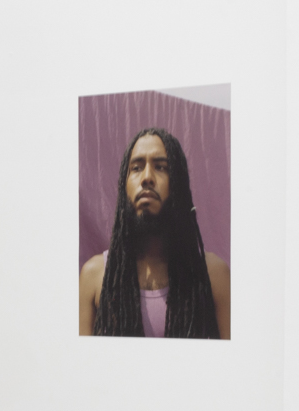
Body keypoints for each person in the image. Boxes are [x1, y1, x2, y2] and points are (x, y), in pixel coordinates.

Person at [79, 126, 230, 339]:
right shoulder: (94, 276)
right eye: (136, 168)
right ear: (124, 185)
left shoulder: (213, 275)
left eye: (160, 167)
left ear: (178, 183)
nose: (147, 177)